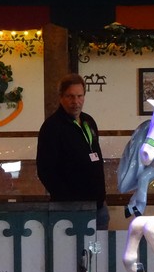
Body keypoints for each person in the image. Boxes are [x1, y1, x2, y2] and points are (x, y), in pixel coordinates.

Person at [36, 73, 109, 230]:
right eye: (70, 96)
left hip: (98, 206)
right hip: (70, 209)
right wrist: (68, 201)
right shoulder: (52, 127)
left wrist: (101, 197)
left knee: (99, 253)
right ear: (61, 97)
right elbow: (45, 171)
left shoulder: (89, 121)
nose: (75, 102)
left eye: (79, 96)